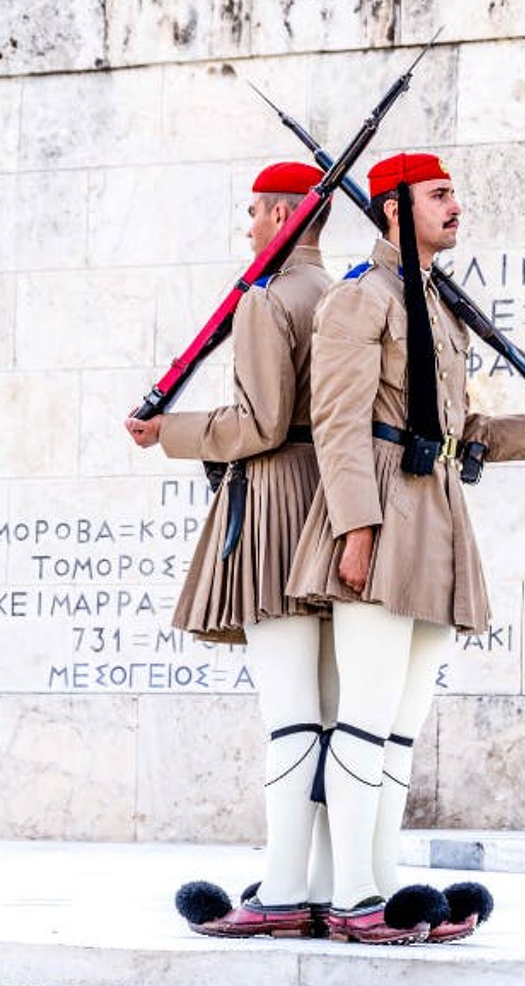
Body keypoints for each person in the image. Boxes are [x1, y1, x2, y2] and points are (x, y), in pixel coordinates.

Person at [285, 151, 525, 944]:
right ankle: (347, 895)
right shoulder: (361, 298)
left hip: (437, 516)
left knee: (399, 724)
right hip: (382, 514)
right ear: (393, 208)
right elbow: (341, 425)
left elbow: (449, 426)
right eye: (438, 195)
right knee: (363, 716)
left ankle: (384, 883)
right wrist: (356, 529)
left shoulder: (440, 304)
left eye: (455, 193)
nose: (456, 206)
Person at [130, 162, 340, 937]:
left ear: (284, 215)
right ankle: (324, 885)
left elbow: (259, 423)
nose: (248, 227)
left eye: (256, 213)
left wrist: (170, 434)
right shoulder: (340, 292)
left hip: (278, 504)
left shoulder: (266, 300)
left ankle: (280, 892)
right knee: (332, 716)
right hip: (333, 502)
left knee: (291, 716)